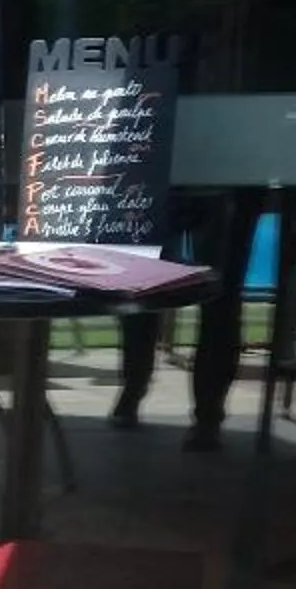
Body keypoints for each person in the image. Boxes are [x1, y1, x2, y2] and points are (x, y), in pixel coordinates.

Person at [111, 186, 266, 450]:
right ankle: (207, 416)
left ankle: (135, 390)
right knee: (220, 299)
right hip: (229, 182)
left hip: (178, 180)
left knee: (143, 284)